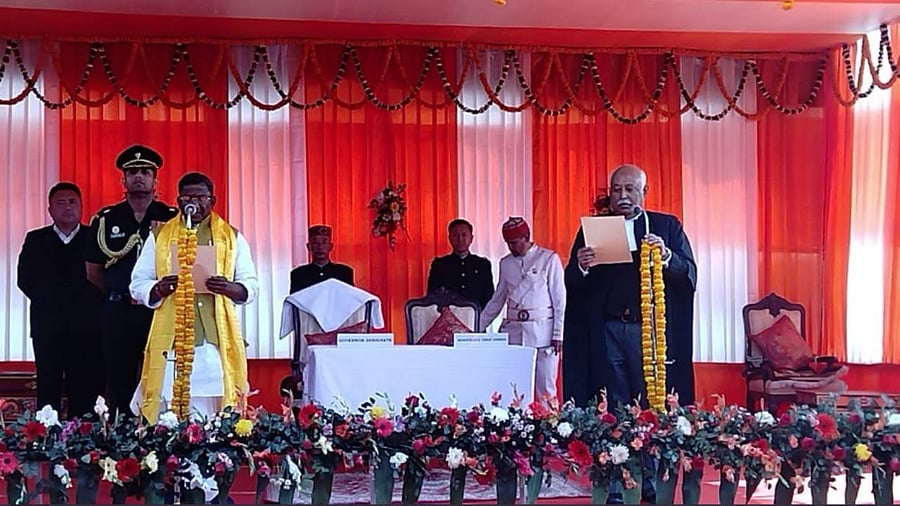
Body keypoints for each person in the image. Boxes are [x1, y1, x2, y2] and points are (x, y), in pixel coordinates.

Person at [563, 164, 697, 410]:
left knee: (647, 395)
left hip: (647, 330)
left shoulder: (665, 226)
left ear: (644, 191)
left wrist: (666, 255)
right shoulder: (595, 229)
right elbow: (572, 281)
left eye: (629, 189)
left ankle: (647, 444)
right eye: (616, 190)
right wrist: (581, 266)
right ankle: (615, 445)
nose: (622, 196)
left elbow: (688, 273)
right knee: (612, 394)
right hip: (607, 329)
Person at [130, 172, 258, 423]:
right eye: (187, 197)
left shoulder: (231, 237)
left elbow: (251, 284)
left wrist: (229, 288)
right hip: (173, 342)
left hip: (214, 340)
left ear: (213, 200)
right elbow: (138, 282)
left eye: (201, 197)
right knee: (168, 408)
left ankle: (214, 457)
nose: (194, 203)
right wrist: (158, 288)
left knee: (216, 408)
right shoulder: (160, 235)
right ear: (178, 201)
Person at [85, 145, 179, 417]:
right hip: (119, 312)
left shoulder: (170, 218)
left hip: (160, 312)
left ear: (155, 180)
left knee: (162, 378)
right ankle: (120, 441)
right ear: (123, 180)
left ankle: (161, 438)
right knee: (119, 380)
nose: (139, 176)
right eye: (133, 172)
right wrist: (124, 294)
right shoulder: (105, 219)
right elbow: (94, 272)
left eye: (145, 172)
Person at [17, 182, 104, 418]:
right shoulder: (36, 239)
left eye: (72, 202)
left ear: (82, 207)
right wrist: (51, 302)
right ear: (50, 210)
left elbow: (101, 279)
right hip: (48, 325)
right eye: (61, 202)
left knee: (85, 384)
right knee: (47, 382)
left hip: (87, 326)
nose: (67, 207)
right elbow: (24, 280)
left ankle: (84, 441)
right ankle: (46, 438)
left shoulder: (95, 237)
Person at [480, 217, 565, 405]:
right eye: (508, 243)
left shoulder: (549, 259)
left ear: (526, 237)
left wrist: (558, 334)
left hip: (543, 332)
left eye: (514, 242)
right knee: (515, 388)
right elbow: (498, 299)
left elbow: (560, 300)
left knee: (546, 390)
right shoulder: (505, 263)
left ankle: (551, 430)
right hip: (514, 333)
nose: (510, 247)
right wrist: (476, 327)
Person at [426, 218, 494, 309]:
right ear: (449, 238)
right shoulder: (440, 265)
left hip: (476, 317)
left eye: (464, 235)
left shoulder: (482, 265)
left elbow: (489, 297)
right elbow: (433, 296)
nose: (460, 239)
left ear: (471, 238)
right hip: (447, 318)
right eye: (455, 235)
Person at [289, 225, 354, 293]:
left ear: (331, 246)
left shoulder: (344, 272)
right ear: (308, 247)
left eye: (324, 242)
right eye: (315, 243)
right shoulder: (299, 274)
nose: (320, 247)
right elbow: (295, 300)